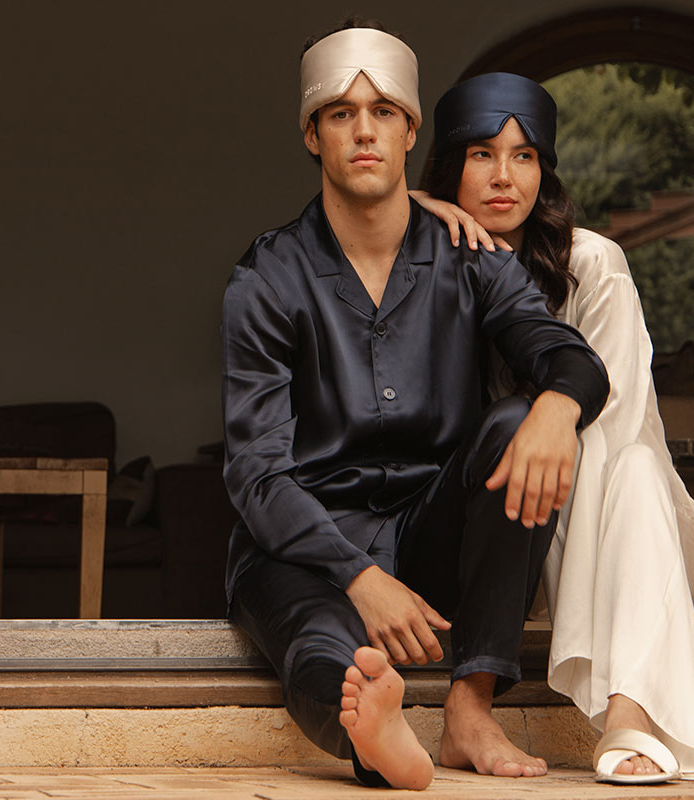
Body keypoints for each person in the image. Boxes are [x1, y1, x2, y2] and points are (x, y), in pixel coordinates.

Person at [221, 23, 609, 790]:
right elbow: (256, 474)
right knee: (320, 640)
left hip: (436, 538)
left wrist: (558, 408)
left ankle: (471, 708)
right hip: (307, 541)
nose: (364, 129)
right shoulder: (267, 278)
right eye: (340, 113)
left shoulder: (473, 258)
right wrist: (360, 575)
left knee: (516, 424)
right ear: (311, 133)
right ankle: (371, 732)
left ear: (410, 131)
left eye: (383, 112)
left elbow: (565, 355)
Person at [410, 71, 694, 784]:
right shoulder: (426, 264)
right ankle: (663, 721)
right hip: (491, 532)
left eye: (525, 156)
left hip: (620, 520)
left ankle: (630, 713)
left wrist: (552, 412)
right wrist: (412, 208)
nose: (505, 178)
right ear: (448, 169)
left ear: (545, 171)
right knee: (516, 431)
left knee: (632, 466)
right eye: (482, 156)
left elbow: (614, 432)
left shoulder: (592, 263)